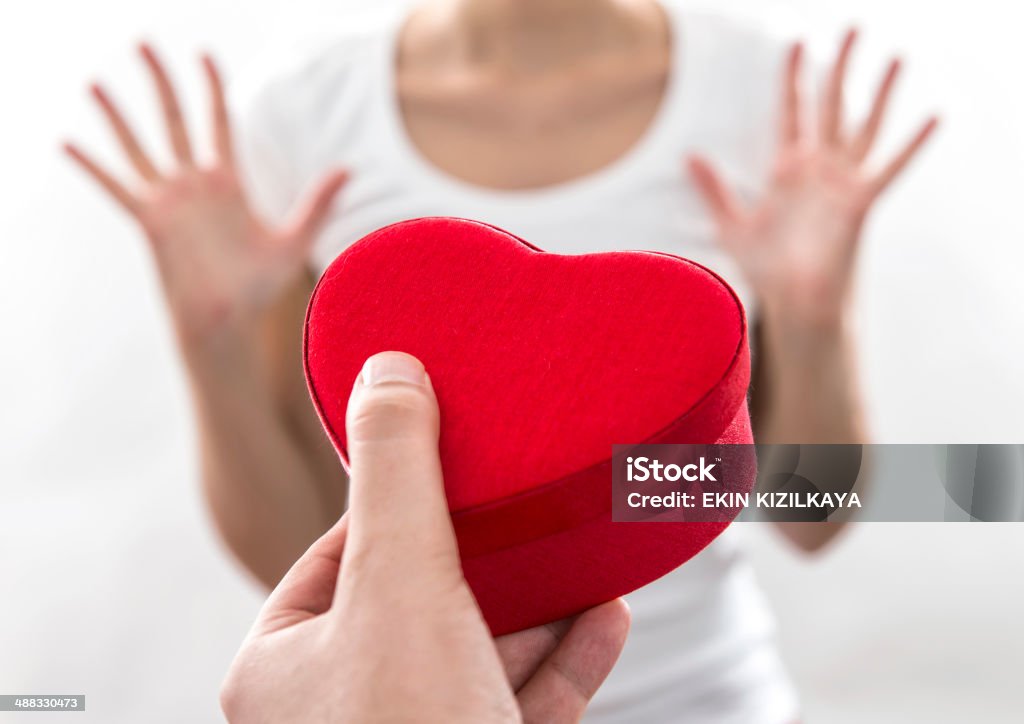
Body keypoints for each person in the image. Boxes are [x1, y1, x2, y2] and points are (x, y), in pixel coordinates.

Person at [64, 0, 937, 720]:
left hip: (713, 699)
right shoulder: (304, 112)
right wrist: (210, 344)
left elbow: (810, 513)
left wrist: (812, 318)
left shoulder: (767, 95)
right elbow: (308, 551)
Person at [221, 351, 631, 722]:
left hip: (675, 692)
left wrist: (573, 491)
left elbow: (692, 482)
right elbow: (316, 544)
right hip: (394, 681)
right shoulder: (351, 293)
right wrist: (207, 332)